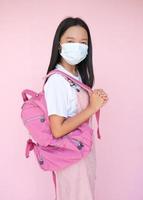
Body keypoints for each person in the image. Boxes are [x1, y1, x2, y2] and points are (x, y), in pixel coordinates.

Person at [43, 17, 108, 200]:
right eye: (70, 41)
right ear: (59, 45)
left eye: (83, 43)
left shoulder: (77, 76)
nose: (77, 47)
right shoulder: (57, 81)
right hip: (71, 159)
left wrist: (96, 100)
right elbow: (57, 130)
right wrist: (91, 108)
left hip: (84, 154)